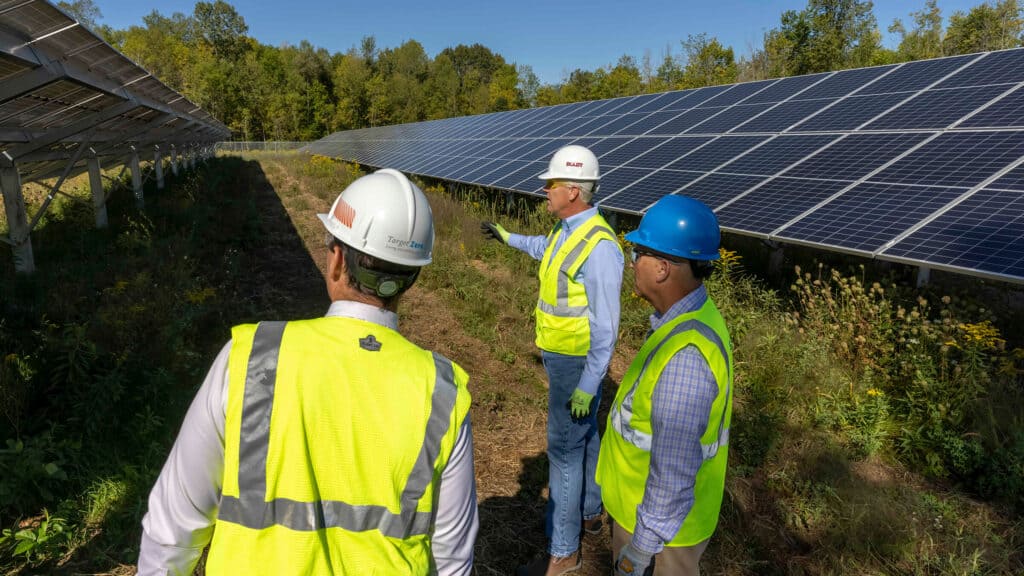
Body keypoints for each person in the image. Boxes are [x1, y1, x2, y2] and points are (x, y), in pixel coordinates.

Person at [137, 168, 478, 575]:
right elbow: (452, 559)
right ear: (412, 279)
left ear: (335, 260)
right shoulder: (442, 391)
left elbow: (172, 524)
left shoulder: (251, 357)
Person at [481, 144, 624, 576]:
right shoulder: (568, 230)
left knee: (563, 451)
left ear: (574, 192)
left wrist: (587, 383)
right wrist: (508, 238)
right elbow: (545, 248)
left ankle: (563, 553)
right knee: (586, 438)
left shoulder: (600, 246)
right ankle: (590, 513)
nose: (545, 189)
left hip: (576, 362)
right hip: (565, 359)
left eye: (552, 184)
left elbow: (607, 328)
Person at [595, 195, 733, 576]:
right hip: (653, 523)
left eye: (638, 252)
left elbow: (672, 470)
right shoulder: (686, 321)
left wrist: (641, 549)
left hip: (659, 541)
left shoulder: (685, 356)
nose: (632, 262)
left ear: (662, 268)